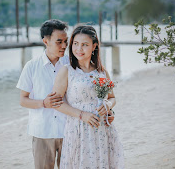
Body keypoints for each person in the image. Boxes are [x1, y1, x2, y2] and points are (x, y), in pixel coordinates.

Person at [16, 20, 115, 169]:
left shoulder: (72, 63)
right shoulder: (32, 66)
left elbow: (95, 94)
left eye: (66, 41)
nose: (64, 46)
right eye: (59, 42)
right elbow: (23, 100)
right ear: (45, 41)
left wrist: (108, 109)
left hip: (69, 130)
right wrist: (43, 103)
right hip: (43, 131)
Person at [53, 25, 125, 169]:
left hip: (102, 128)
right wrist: (82, 115)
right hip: (78, 128)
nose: (79, 49)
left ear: (94, 47)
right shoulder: (67, 71)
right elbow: (56, 103)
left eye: (85, 45)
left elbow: (112, 97)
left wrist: (108, 107)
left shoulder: (101, 71)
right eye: (75, 44)